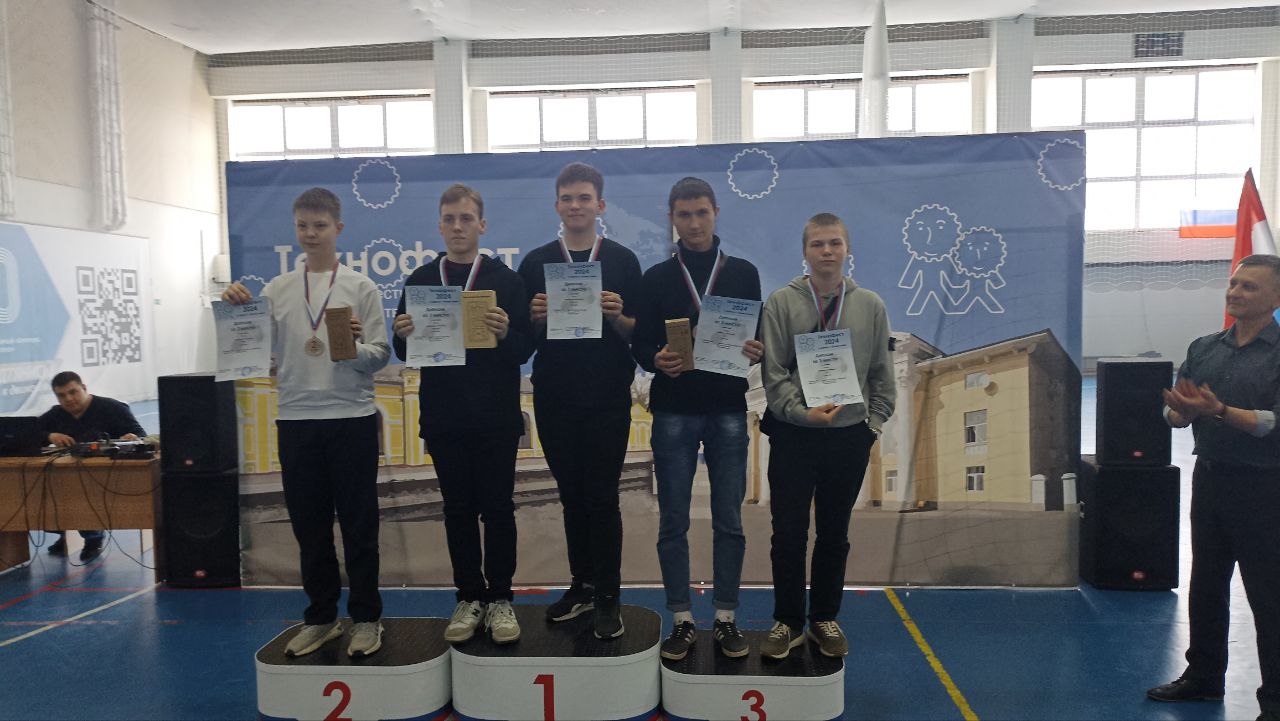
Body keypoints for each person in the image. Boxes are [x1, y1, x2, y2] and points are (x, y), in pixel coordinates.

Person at [221, 187, 389, 658]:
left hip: (352, 418)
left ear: (339, 228)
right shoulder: (276, 290)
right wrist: (234, 309)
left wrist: (353, 350)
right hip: (296, 421)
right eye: (302, 226)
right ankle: (321, 618)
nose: (310, 234)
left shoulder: (361, 287)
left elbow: (380, 356)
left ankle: (367, 619)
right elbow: (250, 349)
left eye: (320, 225)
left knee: (359, 528)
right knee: (310, 530)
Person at [392, 183, 534, 646]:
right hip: (445, 417)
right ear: (440, 226)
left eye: (466, 218)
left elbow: (524, 350)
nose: (458, 227)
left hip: (495, 417)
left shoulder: (506, 281)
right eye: (450, 219)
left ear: (482, 225)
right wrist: (402, 333)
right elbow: (404, 351)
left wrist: (506, 332)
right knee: (457, 510)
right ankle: (469, 596)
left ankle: (501, 599)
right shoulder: (420, 281)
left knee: (498, 509)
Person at [631, 176, 763, 661]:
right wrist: (654, 358)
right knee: (673, 521)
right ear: (672, 219)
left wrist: (756, 349)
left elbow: (757, 335)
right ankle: (682, 619)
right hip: (673, 410)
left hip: (727, 407)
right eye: (684, 214)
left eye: (701, 212)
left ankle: (726, 617)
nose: (693, 223)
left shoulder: (743, 273)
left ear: (715, 213)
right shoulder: (656, 278)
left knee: (729, 520)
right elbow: (640, 342)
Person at [1147, 254, 1280, 721]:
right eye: (1234, 284)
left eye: (1250, 287)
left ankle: (1275, 701)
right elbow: (1176, 414)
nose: (1235, 293)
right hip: (1211, 479)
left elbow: (1273, 423)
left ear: (1276, 298)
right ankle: (1203, 678)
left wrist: (1219, 411)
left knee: (1269, 595)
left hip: (1265, 487)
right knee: (1205, 583)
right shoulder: (1204, 348)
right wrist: (1179, 412)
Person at [757, 212, 895, 660]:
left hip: (848, 437)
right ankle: (787, 620)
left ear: (847, 249)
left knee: (835, 534)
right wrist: (801, 414)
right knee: (788, 534)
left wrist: (872, 426)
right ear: (805, 251)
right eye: (818, 244)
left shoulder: (870, 305)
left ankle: (823, 618)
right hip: (794, 436)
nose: (827, 251)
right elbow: (774, 373)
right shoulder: (781, 302)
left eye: (835, 243)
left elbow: (881, 374)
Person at [516, 163, 642, 639]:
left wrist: (619, 317)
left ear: (600, 205)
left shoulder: (624, 261)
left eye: (584, 197)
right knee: (572, 497)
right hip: (555, 397)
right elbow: (521, 344)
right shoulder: (536, 263)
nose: (575, 206)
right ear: (557, 205)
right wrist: (533, 318)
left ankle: (609, 595)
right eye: (567, 198)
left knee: (602, 497)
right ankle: (581, 586)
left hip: (607, 397)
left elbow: (640, 335)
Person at [36, 370, 145, 562]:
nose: (68, 399)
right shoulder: (55, 414)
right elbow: (30, 431)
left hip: (105, 476)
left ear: (84, 388)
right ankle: (64, 530)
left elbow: (141, 435)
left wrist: (132, 438)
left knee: (82, 489)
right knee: (42, 490)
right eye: (61, 395)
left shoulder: (112, 408)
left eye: (73, 392)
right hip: (68, 475)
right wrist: (49, 436)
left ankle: (93, 539)